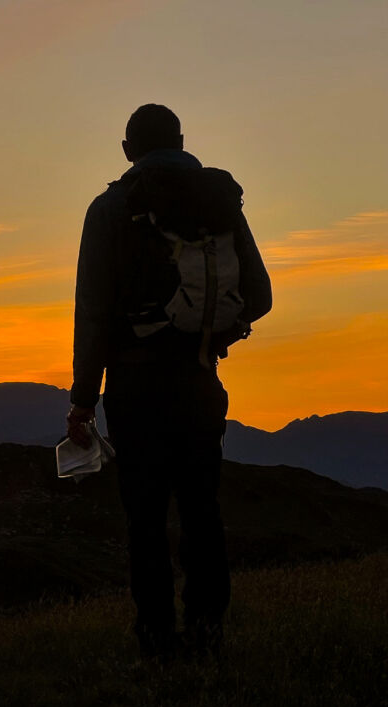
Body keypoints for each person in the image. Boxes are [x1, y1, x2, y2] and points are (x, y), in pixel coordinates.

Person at [66, 105, 272, 660]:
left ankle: (157, 637)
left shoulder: (110, 209)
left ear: (127, 149)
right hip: (200, 378)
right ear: (182, 141)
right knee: (202, 507)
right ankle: (208, 629)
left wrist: (84, 398)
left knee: (146, 516)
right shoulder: (217, 204)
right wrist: (218, 332)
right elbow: (261, 293)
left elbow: (93, 311)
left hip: (134, 387)